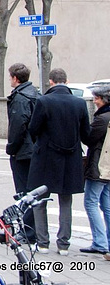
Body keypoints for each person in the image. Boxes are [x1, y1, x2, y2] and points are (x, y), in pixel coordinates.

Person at [27, 68, 91, 256]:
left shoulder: (44, 101)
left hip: (45, 157)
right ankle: (63, 244)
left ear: (51, 82)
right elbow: (86, 133)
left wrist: (38, 144)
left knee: (39, 199)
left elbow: (33, 128)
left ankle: (43, 242)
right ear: (67, 81)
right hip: (70, 158)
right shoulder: (79, 104)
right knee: (66, 200)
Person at [6, 63, 39, 243]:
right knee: (32, 191)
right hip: (33, 149)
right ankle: (34, 230)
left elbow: (18, 126)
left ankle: (28, 232)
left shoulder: (20, 98)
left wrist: (11, 147)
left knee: (24, 193)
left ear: (15, 78)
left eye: (10, 77)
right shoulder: (34, 93)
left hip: (23, 151)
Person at [80, 85, 110, 256]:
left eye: (96, 98)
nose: (94, 100)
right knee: (106, 205)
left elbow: (89, 138)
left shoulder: (102, 119)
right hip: (107, 167)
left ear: (103, 100)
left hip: (99, 166)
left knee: (91, 202)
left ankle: (100, 242)